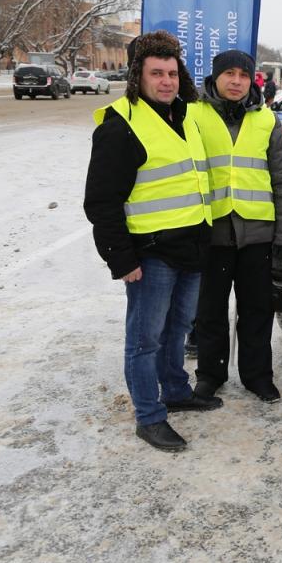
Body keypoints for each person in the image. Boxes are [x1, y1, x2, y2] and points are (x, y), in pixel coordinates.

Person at [84, 30, 222, 452]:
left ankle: (176, 390)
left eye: (172, 73)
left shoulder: (184, 116)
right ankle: (149, 416)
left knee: (178, 328)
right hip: (151, 253)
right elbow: (101, 203)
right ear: (137, 77)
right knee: (145, 340)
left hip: (192, 246)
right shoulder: (120, 125)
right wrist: (121, 260)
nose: (166, 81)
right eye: (156, 73)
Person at [190, 50, 282, 403]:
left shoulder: (265, 120)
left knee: (256, 310)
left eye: (243, 75)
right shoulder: (193, 115)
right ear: (215, 77)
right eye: (229, 74)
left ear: (253, 80)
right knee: (210, 311)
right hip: (212, 230)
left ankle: (257, 376)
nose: (236, 81)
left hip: (257, 233)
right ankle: (210, 375)